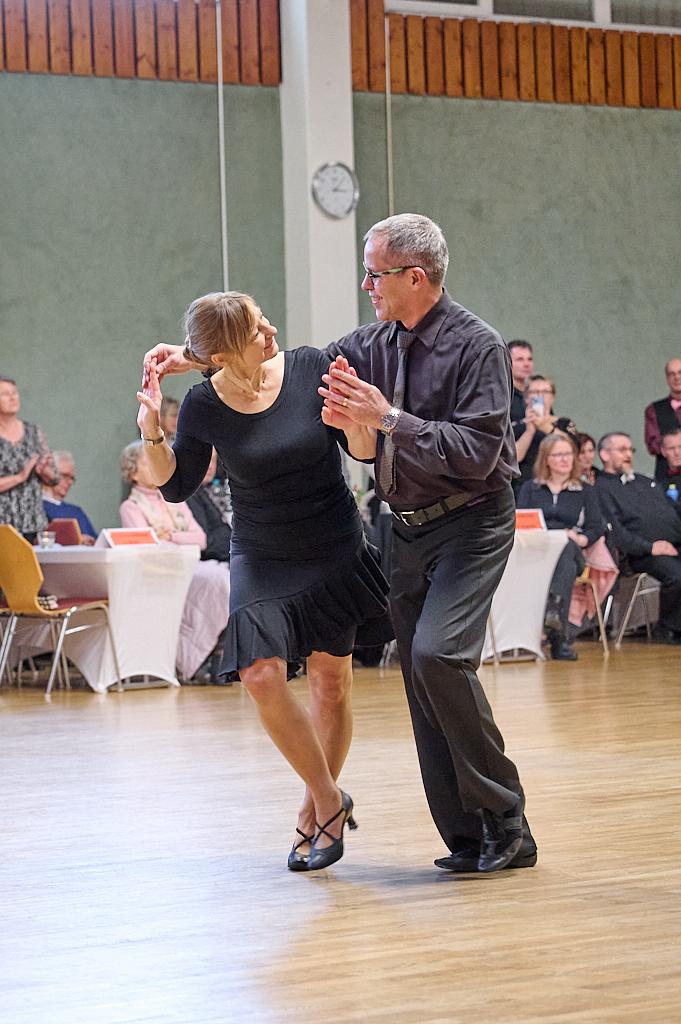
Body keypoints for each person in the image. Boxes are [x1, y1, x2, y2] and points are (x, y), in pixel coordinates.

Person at [145, 215, 536, 875]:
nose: (364, 284)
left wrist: (386, 418)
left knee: (437, 658)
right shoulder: (370, 342)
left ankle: (506, 821)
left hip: (471, 519)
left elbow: (477, 453)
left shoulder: (477, 345)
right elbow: (283, 363)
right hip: (405, 527)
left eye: (374, 273)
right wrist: (201, 355)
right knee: (418, 674)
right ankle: (466, 837)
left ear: (413, 276)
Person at [139, 291, 392, 873]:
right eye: (256, 328)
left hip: (332, 542)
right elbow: (174, 486)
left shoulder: (311, 368)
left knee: (331, 683)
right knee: (259, 674)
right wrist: (152, 431)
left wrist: (358, 428)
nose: (271, 330)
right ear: (225, 351)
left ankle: (313, 813)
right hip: (261, 549)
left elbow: (362, 450)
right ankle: (332, 798)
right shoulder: (204, 404)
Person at [119, 441, 231, 682]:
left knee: (225, 579)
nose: (153, 466)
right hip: (158, 572)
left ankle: (214, 655)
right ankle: (198, 657)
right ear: (133, 472)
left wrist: (169, 535)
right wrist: (177, 539)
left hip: (188, 564)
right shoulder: (131, 506)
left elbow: (200, 539)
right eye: (145, 463)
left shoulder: (176, 500)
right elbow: (148, 545)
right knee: (216, 581)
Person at [516, 434, 606, 661]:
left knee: (565, 546)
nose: (565, 460)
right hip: (537, 552)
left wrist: (581, 539)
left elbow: (597, 526)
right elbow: (521, 519)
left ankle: (554, 617)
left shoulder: (585, 490)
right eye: (558, 455)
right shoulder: (530, 488)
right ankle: (559, 638)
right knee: (561, 558)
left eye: (568, 454)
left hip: (574, 552)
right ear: (546, 459)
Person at [596, 432, 681, 644]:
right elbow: (616, 532)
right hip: (639, 553)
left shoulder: (645, 482)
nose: (628, 455)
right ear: (605, 454)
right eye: (622, 449)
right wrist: (650, 547)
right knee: (677, 577)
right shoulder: (601, 488)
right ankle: (668, 628)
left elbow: (671, 512)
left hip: (672, 545)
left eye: (630, 450)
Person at [0, 375, 57, 542]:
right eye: (5, 394)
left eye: (14, 392)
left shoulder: (33, 431)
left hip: (32, 522)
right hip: (3, 524)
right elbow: (22, 475)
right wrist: (20, 477)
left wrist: (43, 471)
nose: (12, 398)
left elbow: (54, 479)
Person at [514, 375, 577, 493]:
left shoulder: (564, 423)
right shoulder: (516, 426)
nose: (540, 395)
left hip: (560, 486)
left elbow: (573, 448)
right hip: (524, 486)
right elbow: (513, 458)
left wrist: (544, 426)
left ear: (552, 397)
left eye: (545, 391)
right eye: (534, 391)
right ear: (527, 397)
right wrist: (529, 431)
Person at [186, 449, 232, 563]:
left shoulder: (217, 487)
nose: (210, 466)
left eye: (213, 460)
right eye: (205, 460)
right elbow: (207, 543)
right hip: (220, 560)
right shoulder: (189, 495)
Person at [42, 451, 97, 543]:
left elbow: (96, 541)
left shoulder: (76, 511)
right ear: (49, 475)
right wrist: (77, 539)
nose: (70, 482)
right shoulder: (37, 509)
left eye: (72, 478)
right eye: (65, 476)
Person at [643, 358, 681, 480]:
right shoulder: (653, 409)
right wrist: (672, 447)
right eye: (672, 374)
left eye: (680, 372)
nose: (676, 377)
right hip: (667, 476)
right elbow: (653, 444)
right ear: (667, 379)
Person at [508, 339, 534, 435]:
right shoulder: (504, 397)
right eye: (520, 359)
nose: (526, 364)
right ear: (508, 362)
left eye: (529, 359)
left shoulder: (537, 394)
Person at [658, 429, 681, 497]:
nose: (677, 452)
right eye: (671, 448)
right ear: (663, 451)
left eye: (680, 447)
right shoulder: (659, 483)